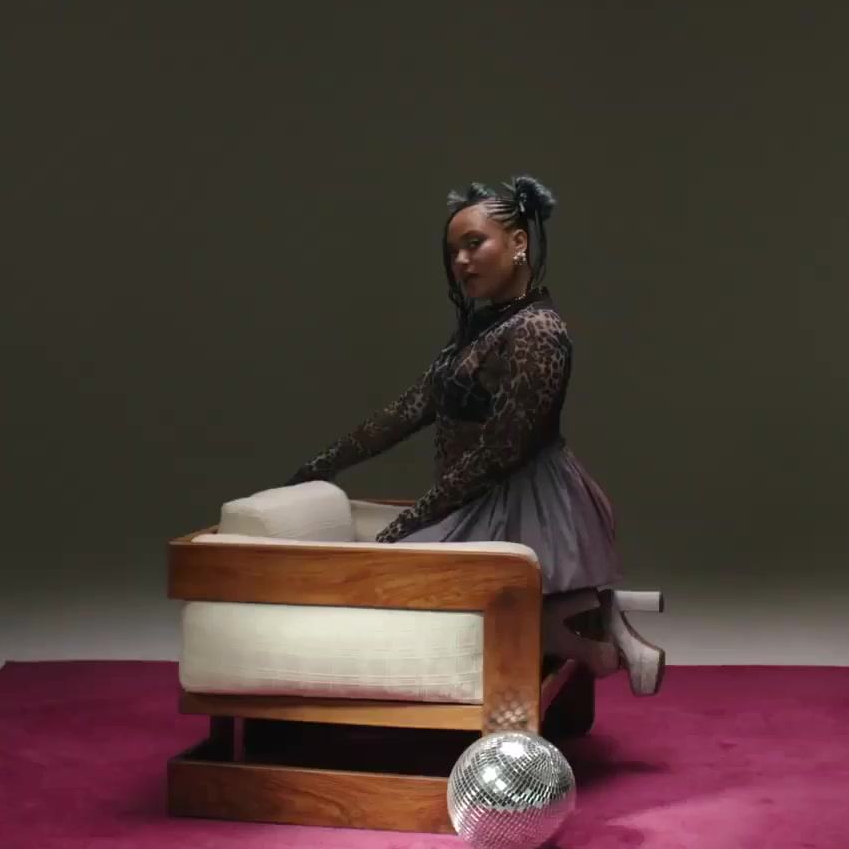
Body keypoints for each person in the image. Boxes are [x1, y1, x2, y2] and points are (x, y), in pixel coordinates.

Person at [284, 175, 663, 696]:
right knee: (440, 596)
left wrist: (408, 522)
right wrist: (322, 465)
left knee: (408, 586)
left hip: (523, 499)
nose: (461, 261)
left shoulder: (537, 331)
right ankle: (594, 619)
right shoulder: (484, 328)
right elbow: (409, 409)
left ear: (519, 242)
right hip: (483, 492)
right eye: (453, 251)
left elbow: (501, 450)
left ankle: (591, 622)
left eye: (474, 243)